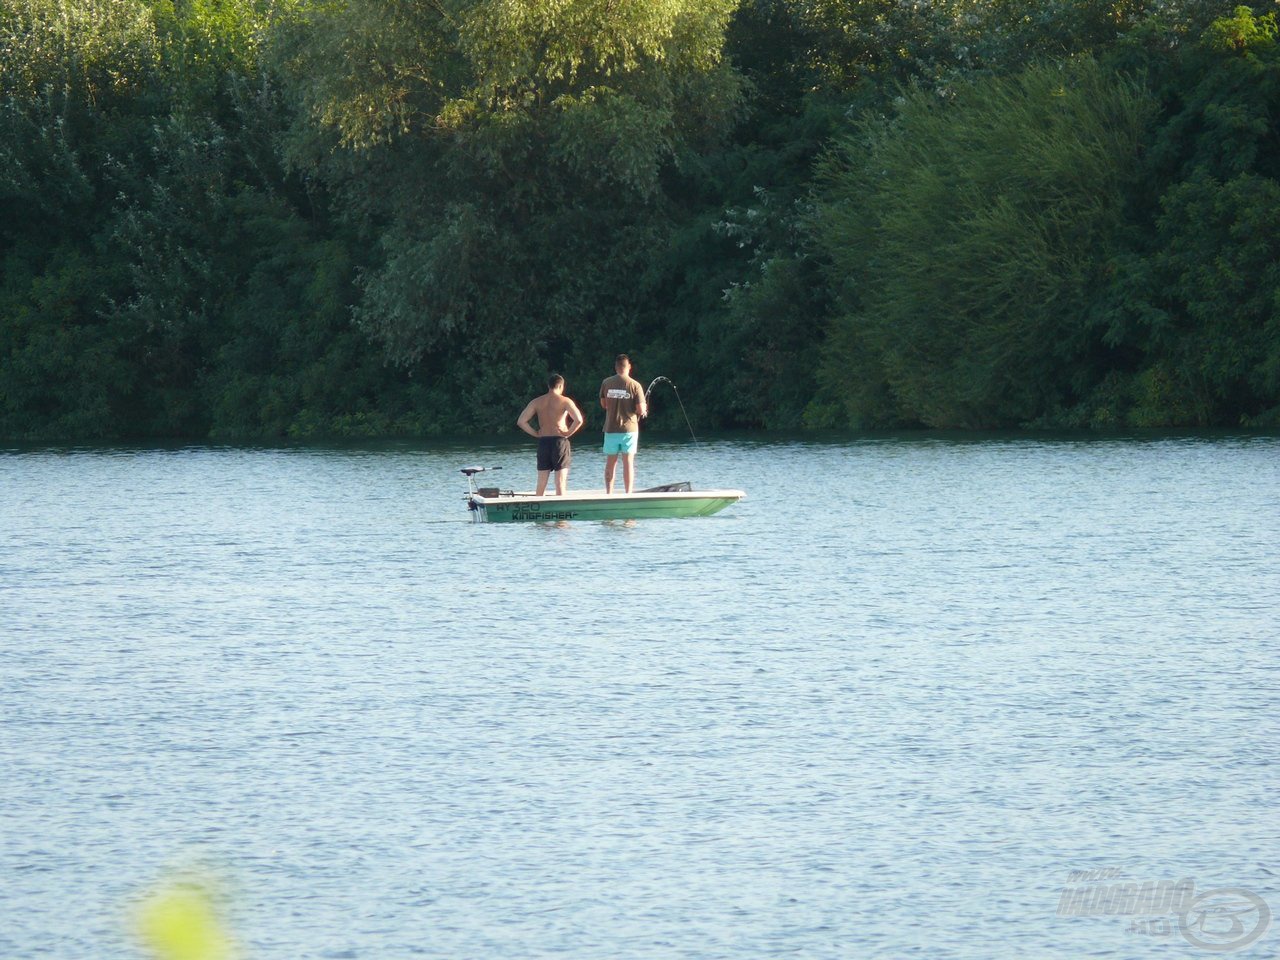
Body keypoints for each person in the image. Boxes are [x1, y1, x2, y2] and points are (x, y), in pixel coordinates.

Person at [517, 374, 584, 496]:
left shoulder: (537, 401)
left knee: (541, 482)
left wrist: (536, 433)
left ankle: (538, 509)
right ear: (561, 386)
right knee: (560, 482)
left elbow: (521, 421)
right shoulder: (565, 401)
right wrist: (568, 433)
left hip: (544, 442)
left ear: (549, 386)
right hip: (559, 441)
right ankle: (562, 513)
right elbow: (579, 420)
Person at [599, 354, 648, 494]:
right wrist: (644, 410)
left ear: (616, 367)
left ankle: (609, 493)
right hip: (629, 430)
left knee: (610, 462)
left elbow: (604, 404)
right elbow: (640, 409)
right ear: (629, 367)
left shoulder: (606, 383)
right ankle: (628, 493)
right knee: (628, 463)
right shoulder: (635, 385)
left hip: (610, 428)